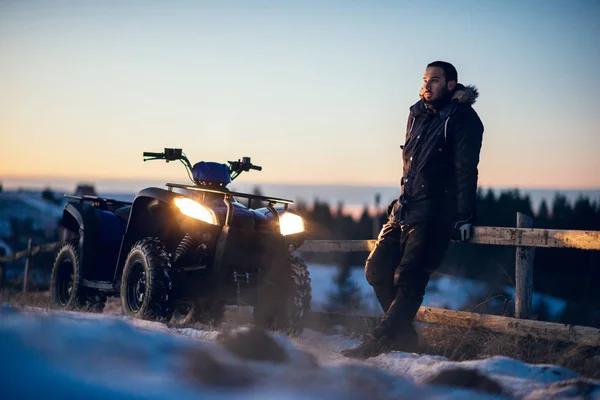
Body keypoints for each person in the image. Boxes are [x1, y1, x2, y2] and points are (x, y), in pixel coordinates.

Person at [341, 61, 484, 359]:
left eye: (435, 80)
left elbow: (465, 170)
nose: (427, 84)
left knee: (410, 279)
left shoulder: (463, 119)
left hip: (434, 211)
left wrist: (465, 215)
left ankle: (380, 340)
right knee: (376, 269)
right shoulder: (416, 113)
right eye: (425, 79)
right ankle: (404, 339)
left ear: (451, 84)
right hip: (403, 207)